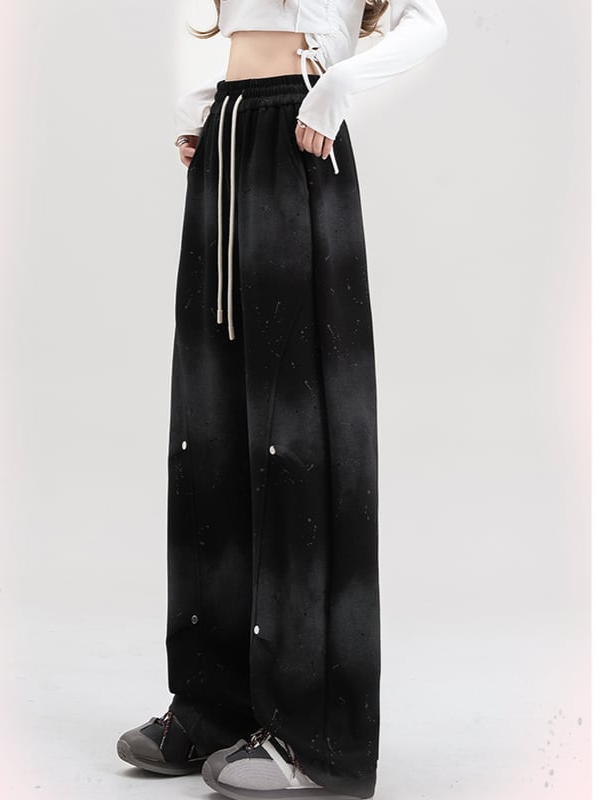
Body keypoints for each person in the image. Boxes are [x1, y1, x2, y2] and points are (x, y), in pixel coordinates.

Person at [117, 2, 447, 798]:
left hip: (299, 130)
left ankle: (315, 735)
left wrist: (337, 87)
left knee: (298, 433)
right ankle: (215, 705)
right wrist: (210, 103)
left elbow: (427, 21)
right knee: (211, 429)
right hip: (228, 138)